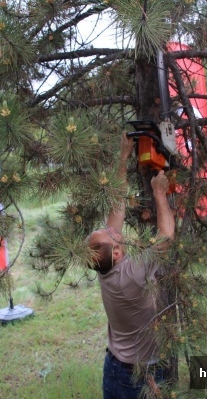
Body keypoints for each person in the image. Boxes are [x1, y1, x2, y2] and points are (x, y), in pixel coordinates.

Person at [87, 133, 175, 399]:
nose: (114, 230)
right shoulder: (131, 273)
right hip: (138, 374)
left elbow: (116, 207)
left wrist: (123, 157)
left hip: (115, 365)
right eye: (111, 234)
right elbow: (166, 238)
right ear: (116, 252)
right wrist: (159, 194)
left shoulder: (107, 265)